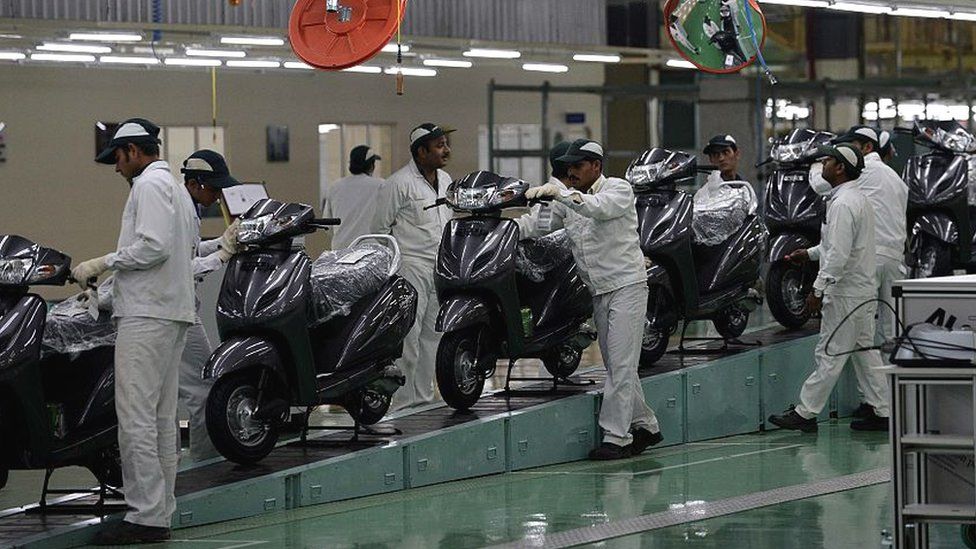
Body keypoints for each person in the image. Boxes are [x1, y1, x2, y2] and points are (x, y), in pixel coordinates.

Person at [73, 118, 197, 545]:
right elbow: (176, 254)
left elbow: (152, 247)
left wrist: (102, 262)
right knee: (163, 420)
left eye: (118, 158)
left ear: (133, 151)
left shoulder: (148, 185)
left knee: (136, 419)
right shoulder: (178, 191)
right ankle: (160, 513)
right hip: (170, 312)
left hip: (148, 318)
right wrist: (107, 294)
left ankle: (145, 516)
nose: (116, 168)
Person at [516, 139, 663, 460]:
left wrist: (562, 194)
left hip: (628, 286)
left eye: (578, 165)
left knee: (621, 366)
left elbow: (599, 208)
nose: (571, 172)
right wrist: (509, 219)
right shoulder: (568, 200)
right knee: (616, 365)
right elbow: (537, 226)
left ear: (596, 165)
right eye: (568, 167)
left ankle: (616, 437)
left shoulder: (618, 189)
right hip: (598, 290)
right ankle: (647, 425)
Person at [768, 143, 890, 433]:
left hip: (846, 293)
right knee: (864, 352)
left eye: (828, 159)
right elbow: (836, 246)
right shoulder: (854, 199)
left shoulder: (844, 204)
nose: (822, 162)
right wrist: (808, 254)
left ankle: (805, 412)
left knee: (830, 353)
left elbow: (838, 255)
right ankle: (884, 411)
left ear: (840, 168)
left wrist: (817, 289)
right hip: (861, 290)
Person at [372, 123, 453, 411]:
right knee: (409, 336)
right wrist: (391, 271)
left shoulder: (445, 180)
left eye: (446, 144)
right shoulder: (398, 184)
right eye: (439, 145)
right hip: (411, 267)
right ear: (421, 151)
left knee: (434, 334)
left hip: (439, 266)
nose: (446, 150)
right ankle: (404, 402)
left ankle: (423, 397)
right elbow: (380, 229)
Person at [179, 149, 243, 462]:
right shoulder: (178, 209)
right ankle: (205, 461)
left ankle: (205, 459)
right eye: (214, 188)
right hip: (175, 311)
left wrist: (222, 241)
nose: (218, 195)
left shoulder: (189, 208)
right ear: (195, 183)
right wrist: (221, 256)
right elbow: (177, 268)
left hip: (180, 309)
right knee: (203, 388)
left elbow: (189, 250)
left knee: (201, 386)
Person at [833, 126, 908, 364]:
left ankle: (874, 397)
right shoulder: (895, 178)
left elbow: (821, 185)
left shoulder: (861, 170)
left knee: (863, 329)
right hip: (895, 259)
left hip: (869, 259)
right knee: (892, 330)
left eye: (851, 145)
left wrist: (815, 164)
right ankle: (893, 392)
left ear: (867, 148)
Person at [323, 145, 385, 250]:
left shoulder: (335, 187)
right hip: (371, 250)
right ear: (371, 165)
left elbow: (327, 225)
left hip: (341, 250)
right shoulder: (381, 185)